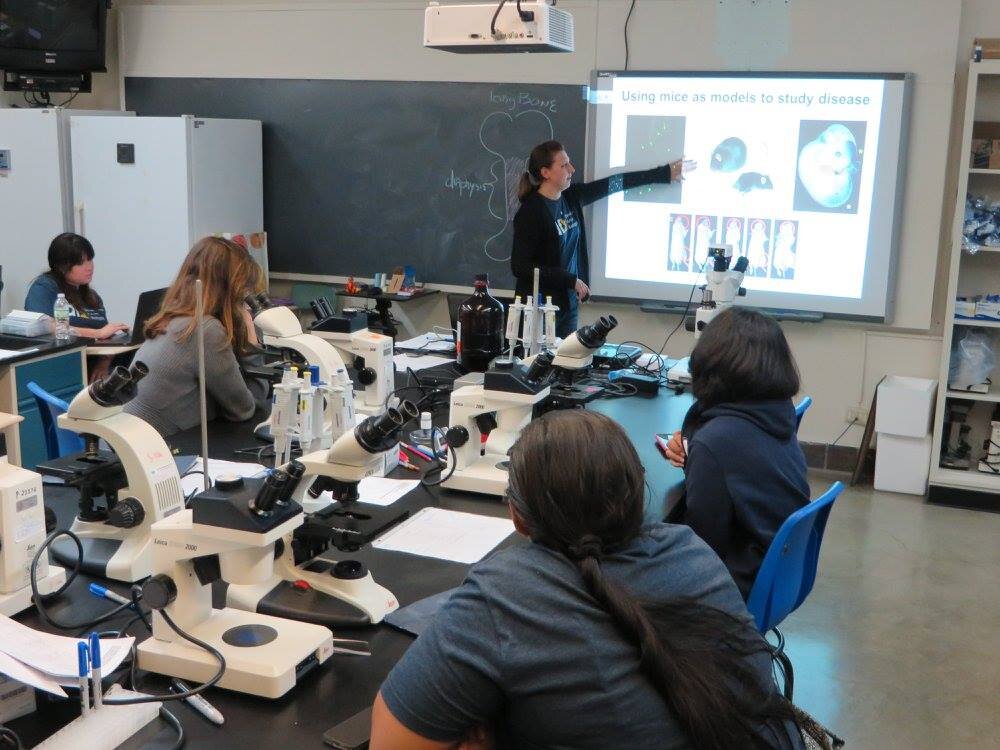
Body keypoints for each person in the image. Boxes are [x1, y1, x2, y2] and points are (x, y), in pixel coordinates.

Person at [372, 410, 819, 750]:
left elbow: (389, 743)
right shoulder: (690, 549)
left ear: (517, 516)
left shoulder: (502, 595)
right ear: (636, 493)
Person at [663, 307, 810, 599]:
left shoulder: (717, 441)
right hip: (776, 570)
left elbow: (702, 548)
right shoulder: (775, 411)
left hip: (732, 586)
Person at [511, 141, 695, 337]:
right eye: (564, 165)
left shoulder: (571, 198)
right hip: (539, 310)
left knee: (565, 361)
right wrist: (569, 279)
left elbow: (614, 183)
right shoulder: (531, 212)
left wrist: (664, 174)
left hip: (567, 306)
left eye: (570, 162)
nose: (572, 169)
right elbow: (520, 266)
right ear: (545, 172)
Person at [122, 236, 269, 437]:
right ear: (230, 290)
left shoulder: (176, 320)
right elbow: (243, 410)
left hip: (131, 440)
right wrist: (251, 343)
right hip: (155, 450)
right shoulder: (205, 330)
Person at [24, 233, 130, 340]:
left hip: (99, 353)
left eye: (90, 260)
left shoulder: (92, 296)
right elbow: (42, 326)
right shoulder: (44, 287)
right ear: (61, 266)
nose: (89, 267)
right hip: (70, 354)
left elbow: (104, 334)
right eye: (81, 263)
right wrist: (97, 333)